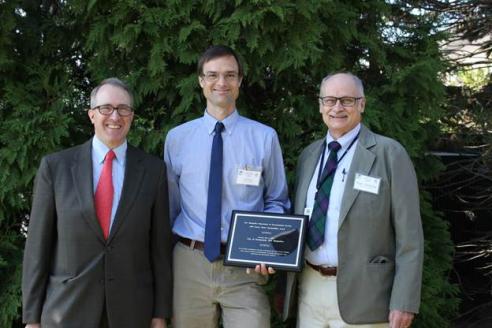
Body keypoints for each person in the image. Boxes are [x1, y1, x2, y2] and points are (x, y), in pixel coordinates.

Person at [22, 78, 172, 328]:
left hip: (132, 312)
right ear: (92, 115)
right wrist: (31, 319)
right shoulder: (56, 167)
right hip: (67, 310)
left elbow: (160, 249)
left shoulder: (153, 171)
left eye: (123, 108)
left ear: (131, 116)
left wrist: (160, 314)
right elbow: (38, 247)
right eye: (106, 108)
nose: (115, 116)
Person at [282, 73, 424, 328]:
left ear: (362, 104)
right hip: (310, 289)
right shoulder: (309, 156)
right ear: (320, 105)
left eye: (347, 100)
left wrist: (404, 301)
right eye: (330, 100)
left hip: (366, 297)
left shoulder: (389, 154)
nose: (337, 107)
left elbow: (410, 237)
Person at [164, 45, 290, 328]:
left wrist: (265, 248)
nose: (221, 83)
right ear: (200, 81)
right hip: (189, 262)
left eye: (230, 75)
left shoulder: (264, 137)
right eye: (212, 75)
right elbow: (171, 205)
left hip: (244, 266)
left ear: (240, 81)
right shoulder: (177, 139)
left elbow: (276, 199)